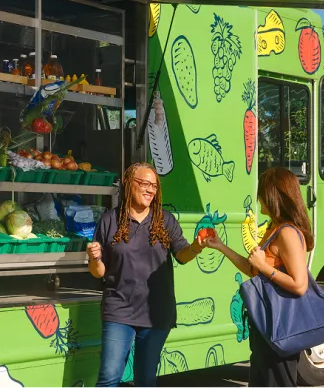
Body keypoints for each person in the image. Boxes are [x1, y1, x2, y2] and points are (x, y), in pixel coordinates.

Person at [87, 162, 206, 387]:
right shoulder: (110, 220)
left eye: (154, 186)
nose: (150, 190)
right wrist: (94, 258)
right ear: (129, 185)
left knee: (146, 378)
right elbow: (99, 272)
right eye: (144, 183)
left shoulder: (165, 220)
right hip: (119, 309)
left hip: (156, 312)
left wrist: (197, 247)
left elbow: (182, 255)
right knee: (109, 376)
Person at [203, 167, 313, 387]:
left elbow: (300, 285)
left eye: (261, 192)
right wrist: (221, 247)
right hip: (266, 327)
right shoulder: (275, 229)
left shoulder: (288, 233)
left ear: (273, 195)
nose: (258, 198)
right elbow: (253, 269)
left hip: (280, 327)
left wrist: (265, 266)